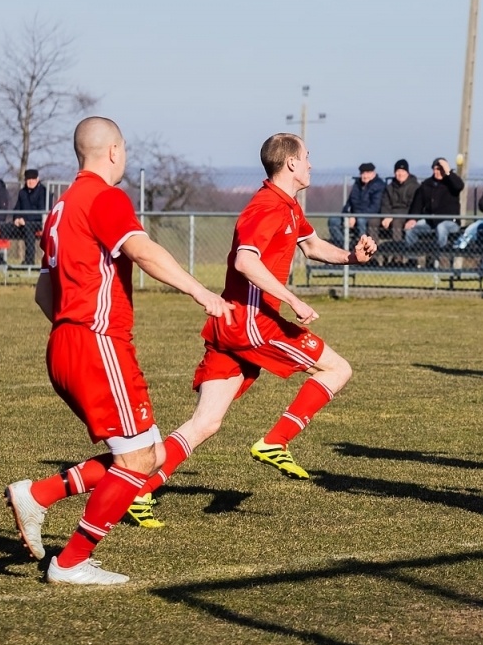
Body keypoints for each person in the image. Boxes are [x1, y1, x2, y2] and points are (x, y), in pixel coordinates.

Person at [2, 116, 234, 585]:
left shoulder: (59, 209)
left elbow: (43, 294)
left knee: (146, 452)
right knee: (137, 460)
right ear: (113, 152)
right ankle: (69, 563)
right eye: (124, 151)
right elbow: (144, 251)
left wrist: (72, 331)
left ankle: (41, 494)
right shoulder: (105, 197)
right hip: (96, 342)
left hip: (67, 342)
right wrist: (202, 293)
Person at [121, 133, 380, 526]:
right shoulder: (266, 207)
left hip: (231, 323)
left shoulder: (288, 206)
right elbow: (245, 261)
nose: (311, 163)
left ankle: (140, 490)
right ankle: (275, 441)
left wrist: (350, 257)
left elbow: (311, 247)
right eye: (307, 157)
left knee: (206, 423)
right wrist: (292, 299)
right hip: (251, 324)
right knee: (338, 369)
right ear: (291, 163)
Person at [331, 162, 385, 248]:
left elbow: (375, 207)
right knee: (333, 221)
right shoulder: (357, 184)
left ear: (373, 173)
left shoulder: (379, 185)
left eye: (367, 173)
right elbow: (349, 203)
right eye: (362, 173)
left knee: (361, 220)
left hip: (368, 216)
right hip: (354, 215)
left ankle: (362, 248)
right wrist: (348, 215)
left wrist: (355, 216)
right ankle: (342, 246)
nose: (365, 176)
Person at [378, 159, 418, 243]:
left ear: (407, 172)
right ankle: (371, 251)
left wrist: (393, 216)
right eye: (398, 171)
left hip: (406, 216)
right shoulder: (390, 187)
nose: (400, 174)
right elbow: (385, 204)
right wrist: (386, 216)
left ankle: (397, 252)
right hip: (391, 215)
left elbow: (412, 206)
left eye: (403, 171)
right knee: (373, 221)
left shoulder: (414, 187)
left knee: (397, 222)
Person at [12, 169, 47, 262]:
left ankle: (29, 261)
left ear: (37, 179)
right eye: (28, 179)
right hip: (23, 222)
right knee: (4, 228)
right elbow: (17, 208)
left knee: (28, 229)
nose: (30, 181)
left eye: (33, 179)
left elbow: (42, 212)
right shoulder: (22, 192)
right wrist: (16, 219)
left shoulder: (43, 191)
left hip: (39, 222)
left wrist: (25, 220)